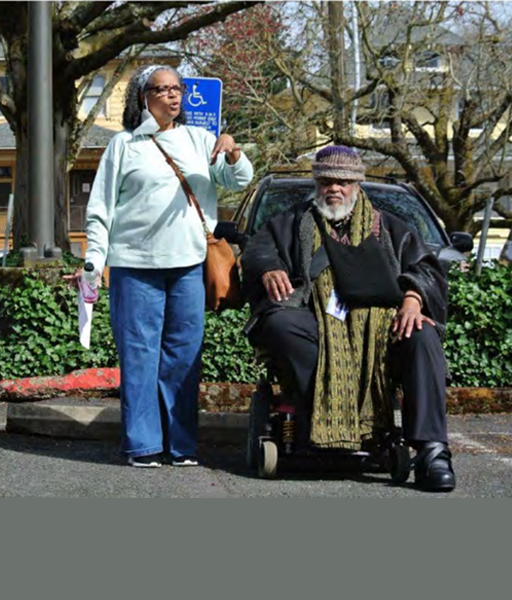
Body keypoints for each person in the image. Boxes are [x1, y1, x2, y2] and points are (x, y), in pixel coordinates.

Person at [240, 145, 456, 492]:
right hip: (313, 322)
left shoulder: (389, 227)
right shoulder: (292, 221)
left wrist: (414, 300)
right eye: (326, 180)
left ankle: (432, 453)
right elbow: (257, 248)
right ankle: (320, 420)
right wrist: (268, 268)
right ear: (317, 182)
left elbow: (425, 268)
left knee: (423, 336)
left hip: (382, 325)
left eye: (343, 181)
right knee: (280, 324)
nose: (334, 188)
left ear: (358, 185)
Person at [81, 65, 253, 468]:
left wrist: (233, 152)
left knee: (183, 355)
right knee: (139, 354)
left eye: (178, 89)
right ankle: (142, 444)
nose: (173, 96)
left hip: (189, 263)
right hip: (134, 263)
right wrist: (94, 257)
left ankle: (182, 445)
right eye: (163, 89)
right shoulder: (124, 145)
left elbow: (237, 180)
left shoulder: (199, 139)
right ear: (144, 96)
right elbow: (101, 207)